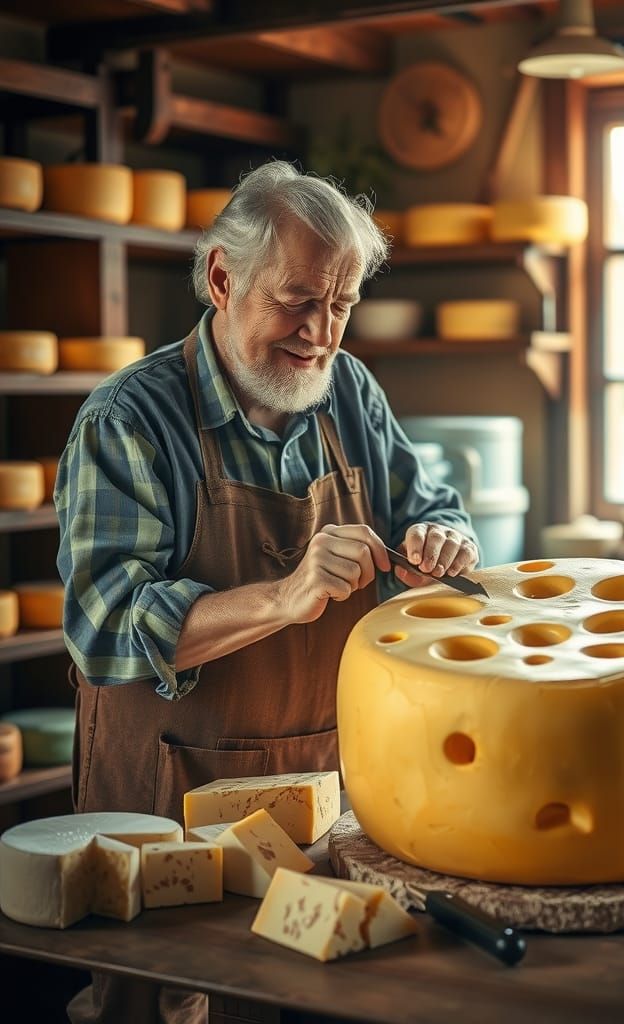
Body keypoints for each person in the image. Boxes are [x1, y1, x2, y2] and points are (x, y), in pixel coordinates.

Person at [55, 160, 479, 1024]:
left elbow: (428, 502)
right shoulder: (128, 421)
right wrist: (284, 596)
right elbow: (104, 629)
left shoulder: (349, 392)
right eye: (298, 300)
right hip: (167, 802)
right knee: (167, 1007)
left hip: (321, 790)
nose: (322, 332)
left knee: (313, 999)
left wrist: (445, 536)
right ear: (222, 277)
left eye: (342, 304)